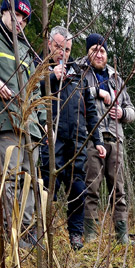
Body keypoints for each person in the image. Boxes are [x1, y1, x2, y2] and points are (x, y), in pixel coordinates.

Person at [39, 26, 106, 250]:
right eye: (58, 47)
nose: (62, 53)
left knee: (78, 188)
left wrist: (97, 141)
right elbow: (30, 95)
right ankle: (42, 234)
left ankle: (76, 236)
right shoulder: (39, 68)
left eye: (67, 49)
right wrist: (49, 78)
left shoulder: (79, 74)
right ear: (50, 45)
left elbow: (90, 109)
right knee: (49, 187)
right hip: (52, 139)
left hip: (76, 141)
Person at [77, 33, 135, 244]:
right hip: (92, 138)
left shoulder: (116, 77)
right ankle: (90, 235)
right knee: (91, 188)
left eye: (102, 51)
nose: (99, 54)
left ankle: (122, 235)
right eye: (95, 50)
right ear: (88, 51)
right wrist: (99, 93)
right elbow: (75, 94)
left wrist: (122, 113)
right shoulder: (80, 71)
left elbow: (131, 110)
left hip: (116, 140)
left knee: (119, 191)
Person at [0, 0, 44, 245]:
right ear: (4, 11)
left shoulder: (27, 50)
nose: (21, 22)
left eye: (25, 19)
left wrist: (44, 121)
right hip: (7, 122)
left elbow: (35, 89)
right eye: (17, 15)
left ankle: (27, 232)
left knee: (30, 180)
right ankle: (11, 233)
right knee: (11, 177)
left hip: (31, 128)